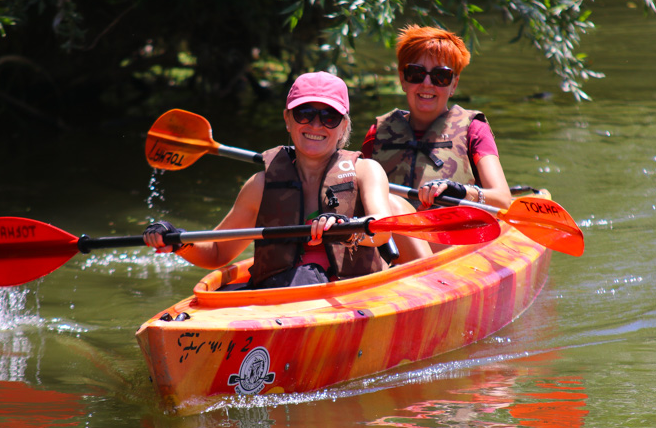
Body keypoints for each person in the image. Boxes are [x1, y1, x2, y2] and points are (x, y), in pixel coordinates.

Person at [144, 72, 395, 289]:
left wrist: (348, 229)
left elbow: (382, 230)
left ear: (343, 127)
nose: (316, 125)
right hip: (281, 293)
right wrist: (178, 240)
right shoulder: (260, 185)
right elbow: (218, 252)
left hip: (352, 293)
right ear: (287, 120)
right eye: (304, 113)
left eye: (330, 117)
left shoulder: (366, 171)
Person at [361, 25, 511, 256]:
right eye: (416, 74)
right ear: (402, 79)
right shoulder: (378, 132)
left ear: (454, 84)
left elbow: (503, 201)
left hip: (453, 247)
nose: (427, 84)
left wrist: (463, 192)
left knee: (393, 205)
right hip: (390, 248)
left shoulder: (474, 130)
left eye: (440, 76)